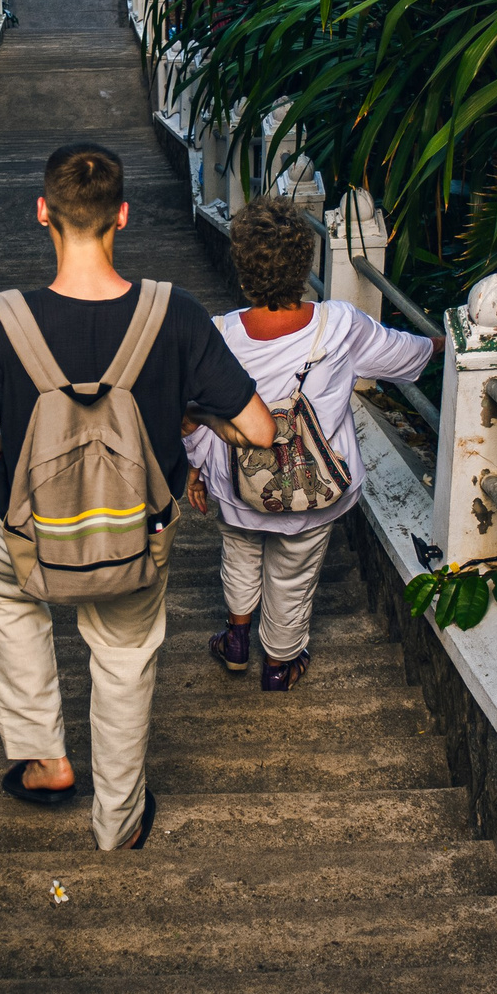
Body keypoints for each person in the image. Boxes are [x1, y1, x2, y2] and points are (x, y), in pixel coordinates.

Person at [0, 142, 275, 850]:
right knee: (121, 661)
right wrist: (189, 409)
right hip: (133, 535)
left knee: (2, 595)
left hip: (30, 535)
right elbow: (259, 430)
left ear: (41, 213)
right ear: (122, 215)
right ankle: (118, 821)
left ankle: (45, 758)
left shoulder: (0, 321)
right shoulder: (171, 313)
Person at [184, 195, 440, 691]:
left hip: (236, 483)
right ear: (305, 265)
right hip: (314, 485)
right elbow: (403, 355)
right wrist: (442, 343)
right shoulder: (341, 324)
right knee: (293, 573)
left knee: (239, 550)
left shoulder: (216, 336)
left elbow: (194, 418)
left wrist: (195, 470)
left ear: (243, 272)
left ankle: (237, 639)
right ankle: (278, 663)